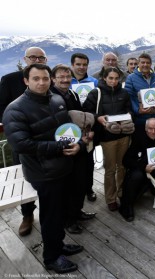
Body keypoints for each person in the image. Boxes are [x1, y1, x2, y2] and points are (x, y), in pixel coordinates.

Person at [3, 64, 83, 273]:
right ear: (26, 81)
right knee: (50, 216)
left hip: (63, 166)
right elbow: (21, 145)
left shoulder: (56, 99)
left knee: (59, 212)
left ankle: (58, 245)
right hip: (43, 172)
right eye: (36, 78)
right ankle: (52, 258)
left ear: (51, 79)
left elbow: (67, 130)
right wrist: (59, 147)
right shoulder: (15, 109)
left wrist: (77, 145)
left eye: (45, 78)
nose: (41, 83)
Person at [0, 46, 47, 237]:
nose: (36, 60)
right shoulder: (10, 80)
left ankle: (51, 214)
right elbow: (1, 107)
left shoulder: (47, 78)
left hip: (46, 141)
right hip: (23, 142)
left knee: (51, 179)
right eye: (32, 57)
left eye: (40, 57)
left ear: (45, 60)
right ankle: (28, 215)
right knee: (25, 180)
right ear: (25, 59)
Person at [50, 64, 96, 234]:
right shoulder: (50, 97)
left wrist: (87, 133)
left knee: (80, 183)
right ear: (53, 79)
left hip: (80, 145)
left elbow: (81, 116)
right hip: (64, 148)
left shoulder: (73, 94)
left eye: (67, 77)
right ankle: (69, 221)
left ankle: (77, 212)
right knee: (67, 187)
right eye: (61, 77)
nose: (65, 80)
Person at [83, 67, 133, 212]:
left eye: (116, 78)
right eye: (110, 78)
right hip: (107, 137)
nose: (113, 81)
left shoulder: (124, 93)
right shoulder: (95, 93)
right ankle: (111, 198)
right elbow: (87, 112)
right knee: (110, 169)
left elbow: (129, 110)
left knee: (122, 166)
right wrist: (98, 118)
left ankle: (122, 193)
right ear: (104, 78)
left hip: (123, 134)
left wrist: (126, 119)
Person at [119, 118, 155, 222]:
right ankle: (126, 206)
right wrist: (144, 167)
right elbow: (126, 160)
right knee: (136, 176)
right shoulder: (138, 138)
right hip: (142, 170)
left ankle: (150, 189)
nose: (153, 132)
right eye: (150, 129)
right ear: (146, 129)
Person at [70, 52, 98, 203]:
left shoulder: (94, 81)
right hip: (70, 130)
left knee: (88, 161)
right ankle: (75, 192)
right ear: (72, 65)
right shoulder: (66, 81)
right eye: (78, 64)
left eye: (84, 64)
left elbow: (98, 105)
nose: (81, 67)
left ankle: (89, 189)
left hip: (88, 128)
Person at [125, 53, 155, 129]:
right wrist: (138, 110)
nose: (145, 65)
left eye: (148, 63)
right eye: (143, 62)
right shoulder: (131, 78)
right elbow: (129, 97)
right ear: (138, 63)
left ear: (151, 64)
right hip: (140, 118)